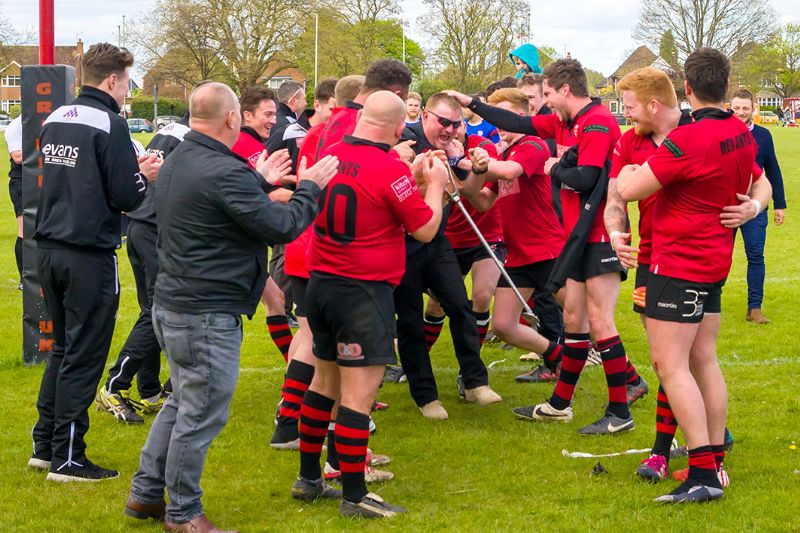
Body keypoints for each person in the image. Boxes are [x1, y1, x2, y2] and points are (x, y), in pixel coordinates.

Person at [125, 82, 339, 531]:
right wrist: (310, 188)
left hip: (176, 300)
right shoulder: (222, 169)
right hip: (204, 308)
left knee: (182, 402)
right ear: (230, 118)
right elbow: (281, 226)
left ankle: (146, 494)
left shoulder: (183, 156)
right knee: (200, 411)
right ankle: (183, 513)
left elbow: (218, 209)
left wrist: (256, 180)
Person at [447, 58, 647, 434]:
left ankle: (620, 409)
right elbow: (518, 122)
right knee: (574, 322)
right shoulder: (562, 123)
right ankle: (560, 405)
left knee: (599, 322)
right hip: (575, 237)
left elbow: (587, 177)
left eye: (549, 94)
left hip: (599, 234)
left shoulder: (598, 121)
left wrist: (555, 166)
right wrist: (471, 103)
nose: (544, 102)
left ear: (565, 89)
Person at [615, 47, 771, 503]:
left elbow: (629, 188)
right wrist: (754, 206)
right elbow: (760, 180)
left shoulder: (688, 140)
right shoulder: (741, 133)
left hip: (678, 264)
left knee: (670, 365)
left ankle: (702, 473)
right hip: (713, 264)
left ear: (687, 89)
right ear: (726, 85)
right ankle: (714, 460)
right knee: (704, 359)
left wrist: (628, 169)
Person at [291, 90, 447, 518]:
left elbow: (377, 201)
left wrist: (409, 178)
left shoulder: (331, 152)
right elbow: (425, 229)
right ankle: (355, 495)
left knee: (323, 385)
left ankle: (308, 478)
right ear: (400, 128)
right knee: (357, 397)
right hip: (362, 292)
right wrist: (433, 186)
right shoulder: (387, 168)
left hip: (320, 282)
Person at [29, 42, 161, 482]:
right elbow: (127, 196)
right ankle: (68, 457)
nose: (128, 92)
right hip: (87, 252)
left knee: (63, 349)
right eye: (128, 83)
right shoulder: (110, 122)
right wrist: (146, 175)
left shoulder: (56, 117)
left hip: (47, 246)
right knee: (85, 355)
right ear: (112, 80)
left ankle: (45, 445)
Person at [603, 67, 692, 482]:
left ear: (654, 105)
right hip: (650, 261)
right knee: (666, 361)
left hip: (692, 263)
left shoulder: (696, 132)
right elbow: (615, 197)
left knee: (683, 361)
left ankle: (665, 450)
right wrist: (616, 233)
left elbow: (757, 178)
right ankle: (703, 429)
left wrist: (755, 205)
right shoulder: (628, 141)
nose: (627, 115)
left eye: (631, 107)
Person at [398, 93, 502, 419]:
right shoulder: (406, 141)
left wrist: (473, 167)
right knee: (411, 320)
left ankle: (475, 382)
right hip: (403, 245)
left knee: (459, 305)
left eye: (456, 124)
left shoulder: (453, 147)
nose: (450, 129)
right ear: (426, 116)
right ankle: (426, 396)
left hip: (437, 241)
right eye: (443, 122)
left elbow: (461, 193)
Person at [457, 88, 566, 378]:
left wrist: (480, 164)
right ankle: (557, 357)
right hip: (518, 254)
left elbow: (509, 172)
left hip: (546, 249)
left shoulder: (533, 144)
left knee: (586, 317)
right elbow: (478, 199)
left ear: (519, 117)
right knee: (503, 325)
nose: (497, 125)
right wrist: (462, 171)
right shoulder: (503, 153)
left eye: (502, 117)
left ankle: (625, 375)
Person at [96, 114, 190, 424]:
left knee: (150, 309)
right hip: (155, 229)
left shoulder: (167, 132)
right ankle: (114, 385)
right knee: (156, 311)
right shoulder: (192, 139)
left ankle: (149, 389)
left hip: (138, 224)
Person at [230, 86, 297, 362]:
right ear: (246, 115)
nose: (274, 120)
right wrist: (309, 198)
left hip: (244, 244)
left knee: (276, 300)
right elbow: (268, 194)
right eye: (267, 114)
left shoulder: (255, 145)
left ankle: (296, 377)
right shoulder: (244, 146)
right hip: (235, 246)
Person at [730, 89, 787, 324]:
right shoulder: (721, 133)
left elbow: (772, 168)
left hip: (756, 206)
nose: (741, 112)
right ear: (729, 108)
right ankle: (707, 305)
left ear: (753, 108)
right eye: (736, 108)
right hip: (726, 208)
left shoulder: (763, 135)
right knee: (718, 255)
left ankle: (754, 308)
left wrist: (779, 205)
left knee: (755, 256)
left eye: (745, 108)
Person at [3, 115, 23, 286]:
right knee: (25, 229)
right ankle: (25, 278)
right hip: (21, 182)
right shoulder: (15, 126)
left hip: (45, 181)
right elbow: (17, 156)